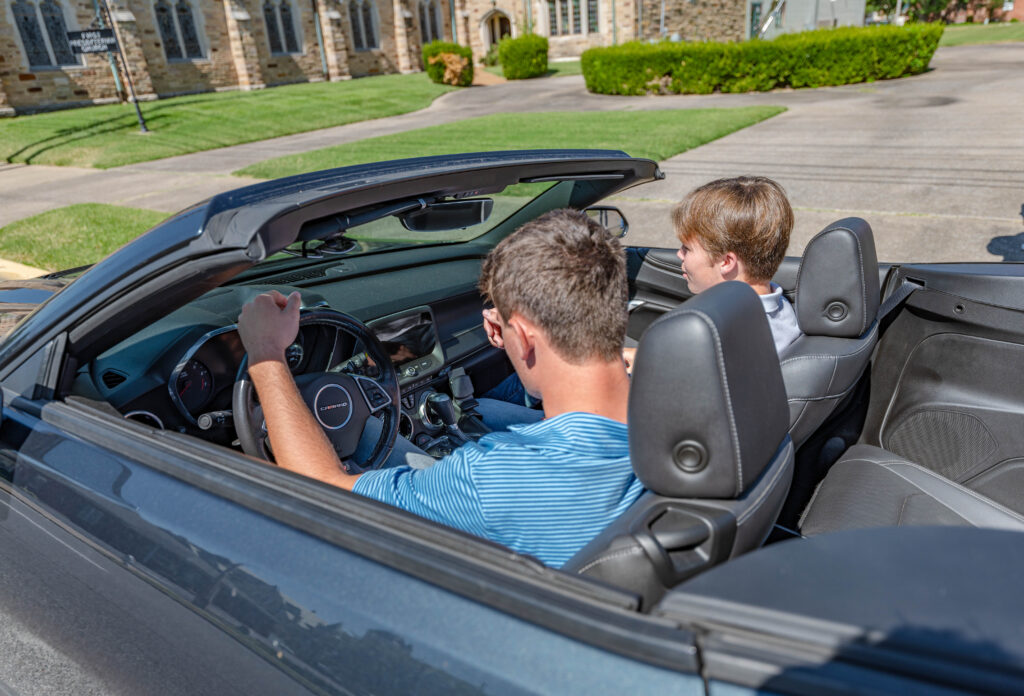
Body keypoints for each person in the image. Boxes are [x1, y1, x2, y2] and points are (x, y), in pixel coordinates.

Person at [236, 209, 643, 569]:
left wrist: (266, 352)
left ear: (516, 334)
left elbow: (323, 489)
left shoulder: (489, 479)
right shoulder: (686, 407)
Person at [622, 176, 800, 372]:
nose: (679, 254)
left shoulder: (719, 336)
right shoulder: (781, 309)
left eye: (686, 248)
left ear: (726, 262)